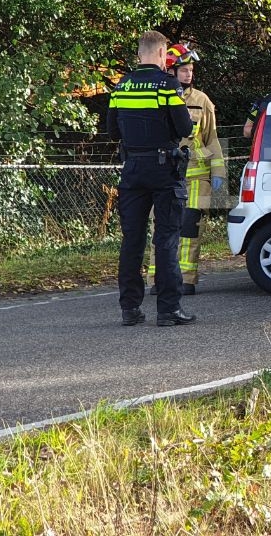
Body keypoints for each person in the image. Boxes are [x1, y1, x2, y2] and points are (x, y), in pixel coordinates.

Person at [109, 30, 196, 326]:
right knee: (167, 238)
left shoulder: (122, 86)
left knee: (132, 239)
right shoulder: (167, 85)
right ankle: (168, 310)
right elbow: (185, 127)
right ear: (162, 54)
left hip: (132, 169)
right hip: (164, 169)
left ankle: (130, 309)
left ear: (139, 54)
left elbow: (111, 131)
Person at [148, 44, 225, 295]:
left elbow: (212, 139)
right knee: (159, 227)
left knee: (190, 227)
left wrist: (219, 174)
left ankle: (187, 278)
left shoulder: (202, 101)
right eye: (183, 70)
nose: (189, 74)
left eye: (191, 70)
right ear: (171, 70)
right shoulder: (156, 96)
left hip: (196, 177)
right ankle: (156, 279)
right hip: (164, 175)